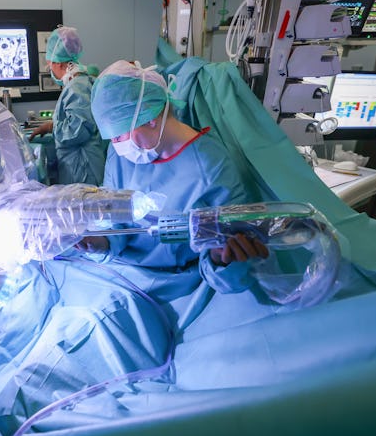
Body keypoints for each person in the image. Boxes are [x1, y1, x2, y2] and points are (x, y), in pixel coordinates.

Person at [78, 59, 268, 293]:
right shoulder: (119, 157)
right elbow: (113, 216)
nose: (117, 145)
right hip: (120, 271)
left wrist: (222, 258)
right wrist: (99, 242)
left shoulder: (211, 167)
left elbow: (228, 267)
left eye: (119, 135)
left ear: (150, 116)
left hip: (177, 283)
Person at [28, 26, 105, 185]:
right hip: (81, 164)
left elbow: (79, 129)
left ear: (58, 63)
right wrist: (51, 125)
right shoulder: (78, 83)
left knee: (82, 208)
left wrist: (53, 128)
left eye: (50, 65)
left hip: (82, 167)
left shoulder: (77, 86)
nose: (50, 69)